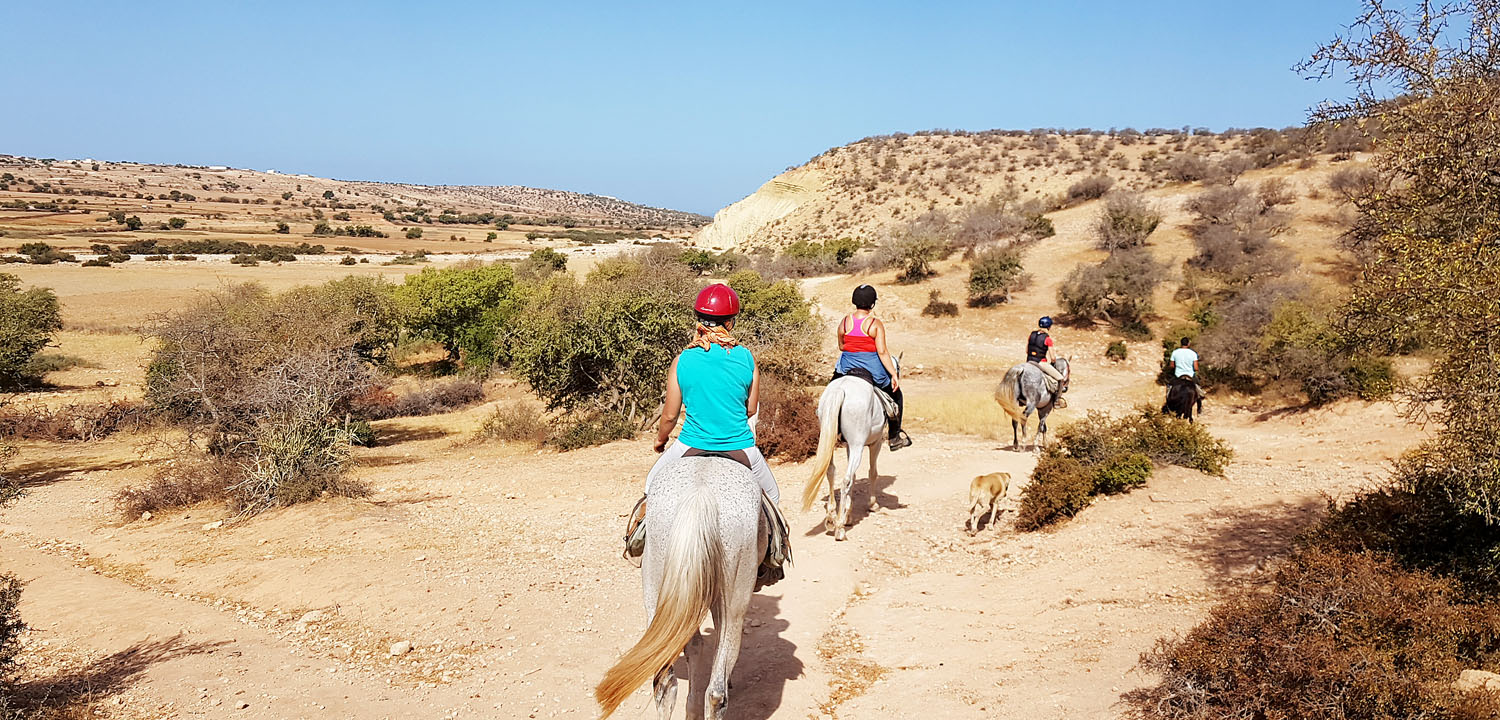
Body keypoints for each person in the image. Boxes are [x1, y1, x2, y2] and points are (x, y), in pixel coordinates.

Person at [623, 283, 790, 585]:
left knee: (651, 488)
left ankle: (639, 543)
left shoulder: (683, 360)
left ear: (698, 319)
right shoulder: (746, 358)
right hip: (741, 448)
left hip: (690, 445)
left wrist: (660, 441)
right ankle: (770, 561)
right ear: (731, 322)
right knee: (773, 500)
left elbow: (669, 415)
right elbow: (751, 409)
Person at [833, 284, 912, 451]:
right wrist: (893, 374)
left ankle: (835, 427)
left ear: (854, 301)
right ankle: (894, 437)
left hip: (846, 366)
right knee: (897, 396)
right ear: (872, 303)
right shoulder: (875, 324)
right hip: (871, 368)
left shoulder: (845, 322)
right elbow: (882, 352)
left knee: (833, 390)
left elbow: (841, 346)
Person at [1027, 316, 1065, 383]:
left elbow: (1027, 351)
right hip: (1040, 363)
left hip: (1029, 361)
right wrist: (1052, 363)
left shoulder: (1031, 335)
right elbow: (1053, 358)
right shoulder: (1047, 339)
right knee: (1060, 378)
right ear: (1048, 327)